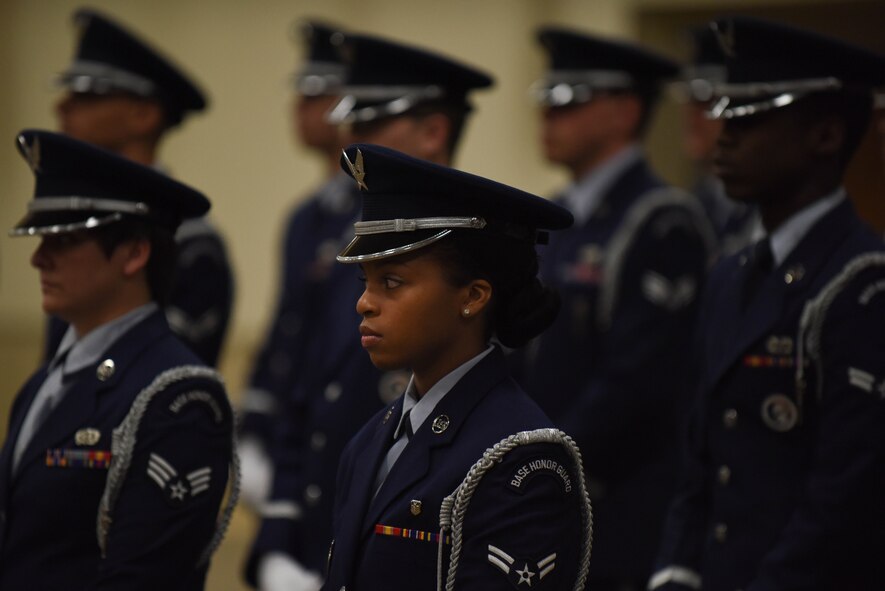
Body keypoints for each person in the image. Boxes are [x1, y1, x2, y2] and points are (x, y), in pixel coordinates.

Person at [244, 32, 494, 590]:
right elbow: (311, 389)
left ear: (434, 131)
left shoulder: (484, 256)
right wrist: (280, 530)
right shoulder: (347, 241)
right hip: (325, 530)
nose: (348, 139)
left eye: (370, 124)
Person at [650, 16, 885, 591]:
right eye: (726, 109)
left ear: (826, 136)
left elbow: (845, 494)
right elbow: (699, 455)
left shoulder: (863, 285)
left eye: (752, 115)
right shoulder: (732, 273)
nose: (724, 132)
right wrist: (676, 570)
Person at [322, 142, 592, 591]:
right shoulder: (368, 441)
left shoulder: (522, 458)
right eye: (365, 281)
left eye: (392, 281)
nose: (365, 303)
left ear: (472, 296)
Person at [517, 26, 714, 591]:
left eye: (569, 103)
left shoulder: (661, 221)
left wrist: (540, 464)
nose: (547, 120)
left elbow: (638, 382)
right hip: (540, 492)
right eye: (547, 104)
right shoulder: (546, 216)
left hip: (614, 504)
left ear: (624, 112)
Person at [0, 129, 237, 589]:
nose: (38, 258)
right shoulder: (43, 384)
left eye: (63, 240)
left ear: (134, 253)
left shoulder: (178, 395)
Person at [49, 7, 234, 366]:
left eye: (87, 96)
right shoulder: (82, 223)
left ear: (143, 115)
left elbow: (166, 381)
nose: (62, 106)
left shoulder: (190, 244)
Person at [238, 18, 350, 512]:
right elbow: (287, 325)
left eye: (316, 96)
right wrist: (254, 426)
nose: (299, 110)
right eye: (301, 96)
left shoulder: (366, 214)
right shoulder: (306, 217)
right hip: (291, 438)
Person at [674, 25, 758, 257]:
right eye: (689, 98)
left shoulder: (768, 210)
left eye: (709, 101)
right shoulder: (689, 206)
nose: (692, 114)